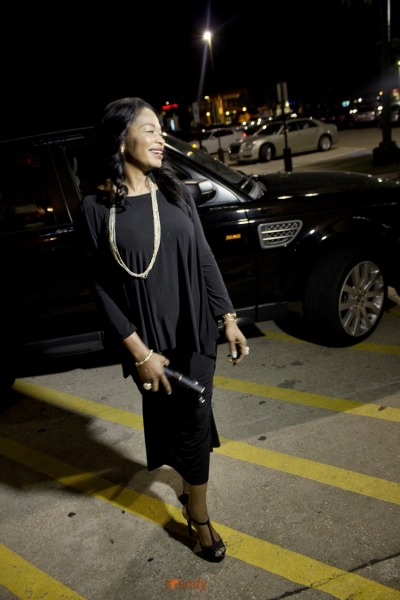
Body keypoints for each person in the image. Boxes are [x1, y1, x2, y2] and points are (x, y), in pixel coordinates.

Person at [75, 97, 248, 562]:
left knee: (193, 416)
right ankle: (192, 481)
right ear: (121, 140)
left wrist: (228, 318)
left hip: (196, 331)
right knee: (179, 421)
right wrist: (140, 354)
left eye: (161, 130)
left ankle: (199, 513)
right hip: (148, 345)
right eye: (149, 130)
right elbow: (100, 289)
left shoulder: (175, 192)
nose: (161, 139)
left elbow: (204, 256)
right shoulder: (95, 208)